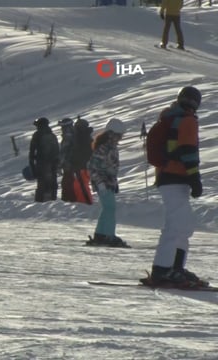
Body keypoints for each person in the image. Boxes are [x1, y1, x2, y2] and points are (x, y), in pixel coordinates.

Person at [142, 86, 207, 288]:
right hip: (174, 177)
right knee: (177, 224)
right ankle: (163, 269)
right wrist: (194, 178)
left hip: (171, 177)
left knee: (184, 224)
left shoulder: (173, 118)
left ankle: (175, 267)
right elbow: (188, 150)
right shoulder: (186, 121)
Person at [87, 118, 128, 248]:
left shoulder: (111, 146)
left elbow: (111, 167)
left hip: (108, 182)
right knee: (110, 208)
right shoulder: (104, 147)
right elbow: (92, 167)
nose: (120, 138)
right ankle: (108, 235)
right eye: (119, 135)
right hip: (102, 182)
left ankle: (100, 234)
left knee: (107, 208)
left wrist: (113, 183)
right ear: (112, 133)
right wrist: (100, 183)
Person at [28, 117, 59, 202]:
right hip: (53, 163)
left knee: (42, 182)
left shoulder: (37, 135)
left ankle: (41, 201)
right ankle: (53, 199)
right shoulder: (52, 135)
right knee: (53, 182)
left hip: (42, 164)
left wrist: (32, 165)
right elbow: (57, 149)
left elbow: (32, 150)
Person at [71, 117, 94, 204]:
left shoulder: (79, 138)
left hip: (81, 166)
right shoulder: (87, 137)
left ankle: (85, 201)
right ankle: (85, 201)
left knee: (81, 184)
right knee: (81, 184)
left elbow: (77, 152)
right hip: (85, 165)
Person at [58, 117, 76, 202]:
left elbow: (63, 153)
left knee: (67, 183)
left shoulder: (67, 137)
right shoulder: (75, 134)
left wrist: (59, 165)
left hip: (68, 165)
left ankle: (69, 200)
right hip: (75, 164)